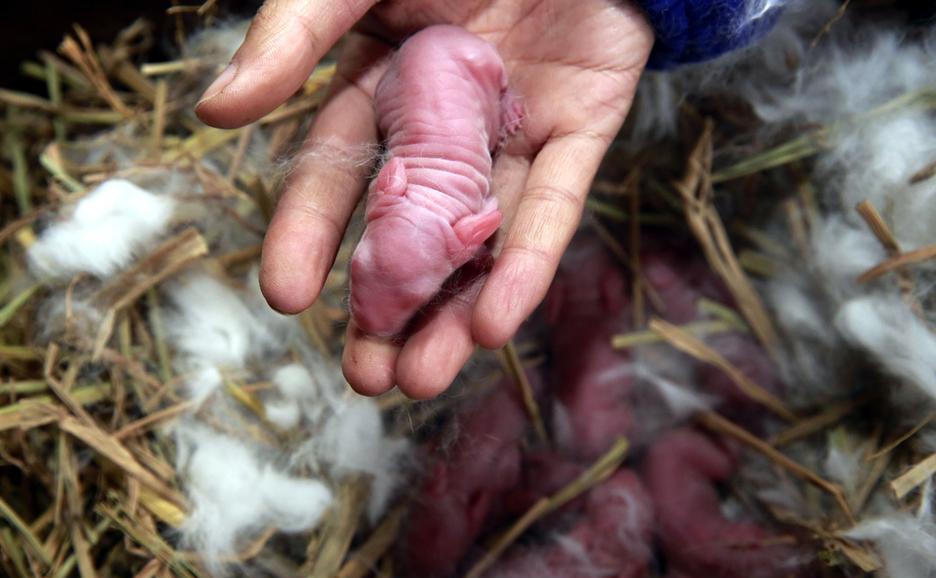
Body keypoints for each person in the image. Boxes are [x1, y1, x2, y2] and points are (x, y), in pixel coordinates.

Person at [195, 0, 783, 400]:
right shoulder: (407, 195)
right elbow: (462, 212)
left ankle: (486, 94)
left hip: (455, 64)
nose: (374, 315)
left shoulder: (450, 223)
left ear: (381, 203)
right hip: (437, 61)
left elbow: (485, 221)